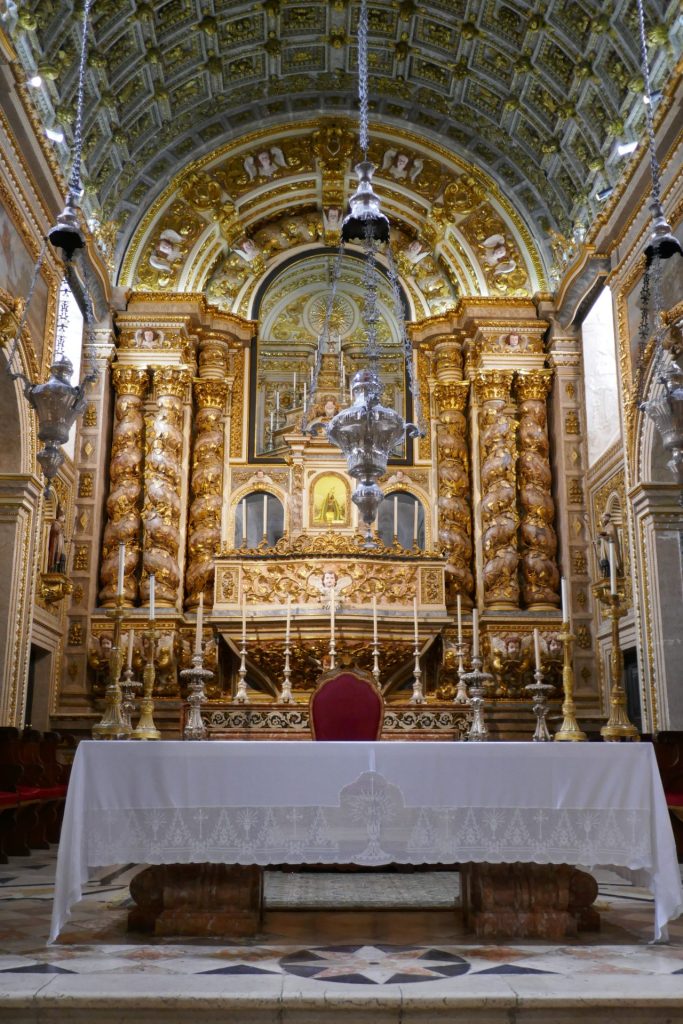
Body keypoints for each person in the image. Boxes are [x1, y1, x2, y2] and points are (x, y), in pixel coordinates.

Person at [47, 502, 66, 573]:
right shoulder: (55, 523)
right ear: (59, 517)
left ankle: (60, 570)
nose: (64, 519)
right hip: (56, 544)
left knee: (62, 557)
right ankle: (53, 569)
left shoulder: (61, 526)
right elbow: (54, 530)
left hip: (60, 545)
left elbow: (61, 535)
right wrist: (59, 531)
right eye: (63, 517)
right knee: (55, 557)